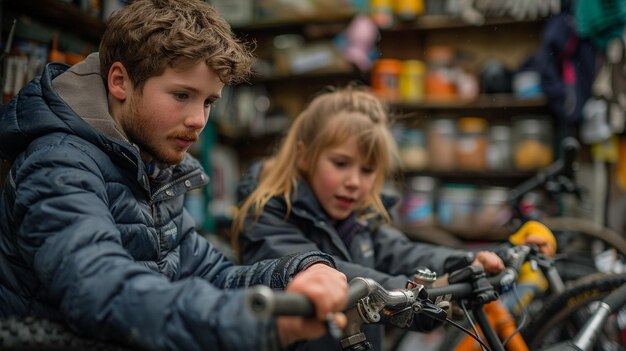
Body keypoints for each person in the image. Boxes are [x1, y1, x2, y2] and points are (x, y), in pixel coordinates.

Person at [0, 1, 351, 350]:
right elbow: (101, 292)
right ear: (120, 81)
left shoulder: (149, 168)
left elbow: (212, 276)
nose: (198, 119)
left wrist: (300, 273)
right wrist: (260, 322)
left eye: (208, 102)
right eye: (181, 95)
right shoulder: (57, 165)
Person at [232, 85, 505, 351]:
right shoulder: (265, 213)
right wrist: (424, 292)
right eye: (340, 164)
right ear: (304, 156)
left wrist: (464, 262)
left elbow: (401, 252)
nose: (354, 182)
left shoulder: (360, 218)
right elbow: (331, 274)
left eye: (367, 170)